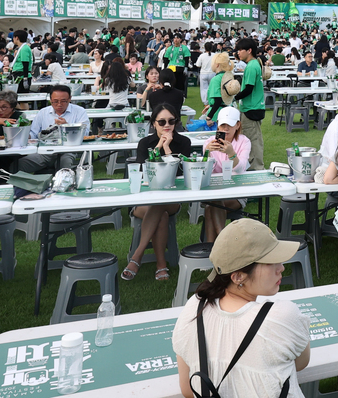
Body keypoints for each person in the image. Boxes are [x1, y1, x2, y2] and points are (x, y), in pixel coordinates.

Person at [172, 219, 309, 398]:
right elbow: (301, 362)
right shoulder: (282, 316)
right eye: (270, 262)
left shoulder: (193, 309)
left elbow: (188, 389)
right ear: (237, 277)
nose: (281, 268)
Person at [124, 104, 192, 281]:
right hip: (144, 200)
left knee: (160, 205)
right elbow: (142, 171)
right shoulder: (145, 143)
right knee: (158, 210)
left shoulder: (184, 142)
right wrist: (157, 149)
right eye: (161, 121)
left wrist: (168, 149)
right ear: (153, 123)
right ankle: (160, 265)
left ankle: (136, 257)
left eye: (172, 121)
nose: (167, 125)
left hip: (172, 198)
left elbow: (181, 174)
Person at [197, 108, 252, 238]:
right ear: (218, 124)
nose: (225, 129)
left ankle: (213, 246)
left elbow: (240, 169)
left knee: (213, 206)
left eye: (230, 125)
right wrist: (207, 154)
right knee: (214, 203)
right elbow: (204, 172)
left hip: (236, 191)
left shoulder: (244, 141)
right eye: (223, 125)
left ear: (237, 125)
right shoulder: (209, 142)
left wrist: (232, 154)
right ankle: (222, 243)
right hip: (214, 190)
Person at [19, 85, 89, 174]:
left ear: (70, 99)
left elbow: (85, 134)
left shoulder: (79, 111)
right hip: (45, 151)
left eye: (63, 101)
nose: (59, 104)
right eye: (55, 101)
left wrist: (67, 126)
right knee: (19, 165)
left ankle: (65, 183)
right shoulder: (43, 112)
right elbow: (34, 133)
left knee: (65, 165)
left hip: (68, 150)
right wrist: (25, 135)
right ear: (50, 99)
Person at [231, 38, 266, 169]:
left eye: (241, 50)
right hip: (252, 107)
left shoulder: (251, 66)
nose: (238, 52)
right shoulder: (254, 64)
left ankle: (257, 167)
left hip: (252, 108)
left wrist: (234, 97)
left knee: (252, 140)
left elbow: (249, 89)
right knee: (250, 138)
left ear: (249, 50)